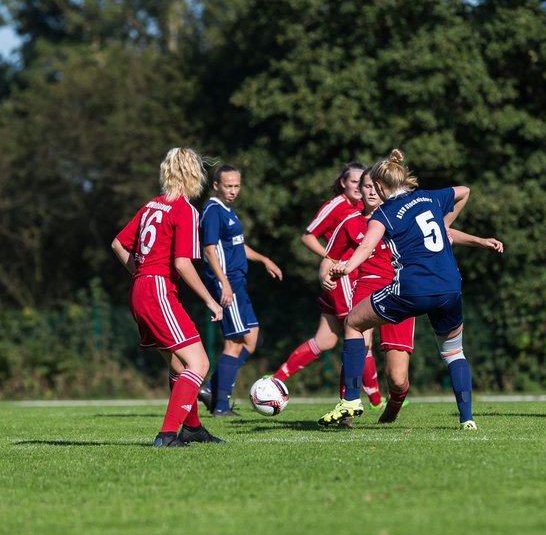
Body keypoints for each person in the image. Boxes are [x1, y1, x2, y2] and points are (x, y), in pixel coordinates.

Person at [319, 173, 503, 426]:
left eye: (375, 187)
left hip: (408, 289)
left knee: (353, 325)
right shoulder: (427, 198)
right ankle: (467, 420)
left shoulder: (385, 213)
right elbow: (464, 190)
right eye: (366, 187)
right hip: (448, 286)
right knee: (453, 351)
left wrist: (346, 268)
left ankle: (352, 400)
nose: (372, 192)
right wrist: (455, 228)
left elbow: (364, 247)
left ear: (382, 186)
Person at [111, 147, 226, 448]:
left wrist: (141, 272)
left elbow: (117, 244)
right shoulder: (185, 210)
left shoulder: (152, 206)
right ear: (193, 175)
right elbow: (182, 264)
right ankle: (166, 435)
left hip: (141, 288)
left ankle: (193, 428)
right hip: (158, 289)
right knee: (198, 364)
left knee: (178, 365)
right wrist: (210, 300)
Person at [269, 162, 381, 403]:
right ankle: (371, 398)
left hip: (353, 276)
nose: (361, 188)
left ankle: (276, 380)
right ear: (344, 183)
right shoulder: (336, 207)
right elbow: (308, 235)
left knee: (326, 340)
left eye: (365, 184)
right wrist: (331, 261)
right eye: (356, 182)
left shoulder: (364, 207)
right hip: (342, 279)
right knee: (360, 336)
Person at [196, 164, 283, 417]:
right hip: (228, 283)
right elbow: (209, 250)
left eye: (236, 186)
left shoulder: (228, 211)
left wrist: (264, 259)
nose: (233, 190)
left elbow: (238, 247)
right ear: (216, 186)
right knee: (234, 342)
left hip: (238, 282)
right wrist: (223, 283)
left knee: (252, 339)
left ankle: (213, 389)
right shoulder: (213, 211)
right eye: (228, 186)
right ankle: (221, 406)